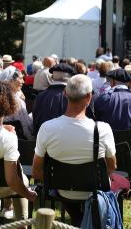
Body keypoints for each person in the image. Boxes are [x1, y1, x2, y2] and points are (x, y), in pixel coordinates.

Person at [32, 75, 116, 226]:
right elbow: (111, 167)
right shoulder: (103, 129)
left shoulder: (47, 128)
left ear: (65, 93)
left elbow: (37, 172)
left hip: (62, 190)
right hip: (94, 190)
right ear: (89, 97)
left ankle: (79, 220)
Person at [0, 81, 37, 225]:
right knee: (21, 180)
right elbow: (13, 181)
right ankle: (22, 223)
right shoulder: (8, 138)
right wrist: (29, 194)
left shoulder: (7, 136)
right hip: (6, 187)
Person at [32, 64, 76, 135]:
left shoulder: (40, 96)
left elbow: (35, 120)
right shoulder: (73, 97)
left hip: (42, 139)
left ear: (52, 77)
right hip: (65, 139)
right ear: (70, 79)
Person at [0, 67, 34, 140]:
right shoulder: (16, 100)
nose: (23, 81)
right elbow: (24, 125)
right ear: (11, 81)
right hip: (17, 139)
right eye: (21, 78)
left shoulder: (2, 97)